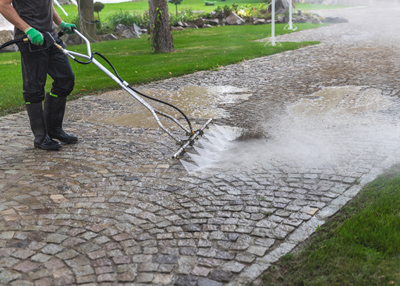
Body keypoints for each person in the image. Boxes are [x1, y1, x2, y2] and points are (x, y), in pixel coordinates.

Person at [0, 0, 78, 150]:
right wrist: (28, 29)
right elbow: (3, 5)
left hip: (51, 37)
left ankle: (54, 129)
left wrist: (60, 23)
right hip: (31, 39)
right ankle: (41, 137)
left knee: (65, 80)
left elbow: (47, 4)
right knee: (34, 88)